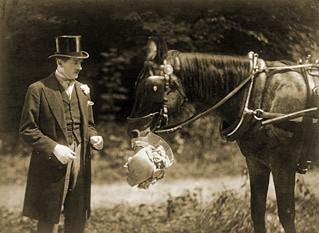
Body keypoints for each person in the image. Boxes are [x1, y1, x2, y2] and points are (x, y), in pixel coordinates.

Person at [19, 35, 103, 233]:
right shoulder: (38, 89)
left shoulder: (83, 91)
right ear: (59, 62)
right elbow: (27, 130)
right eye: (75, 63)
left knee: (77, 217)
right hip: (51, 164)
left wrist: (93, 137)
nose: (80, 68)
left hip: (81, 161)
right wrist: (54, 148)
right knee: (49, 219)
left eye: (81, 63)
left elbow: (89, 125)